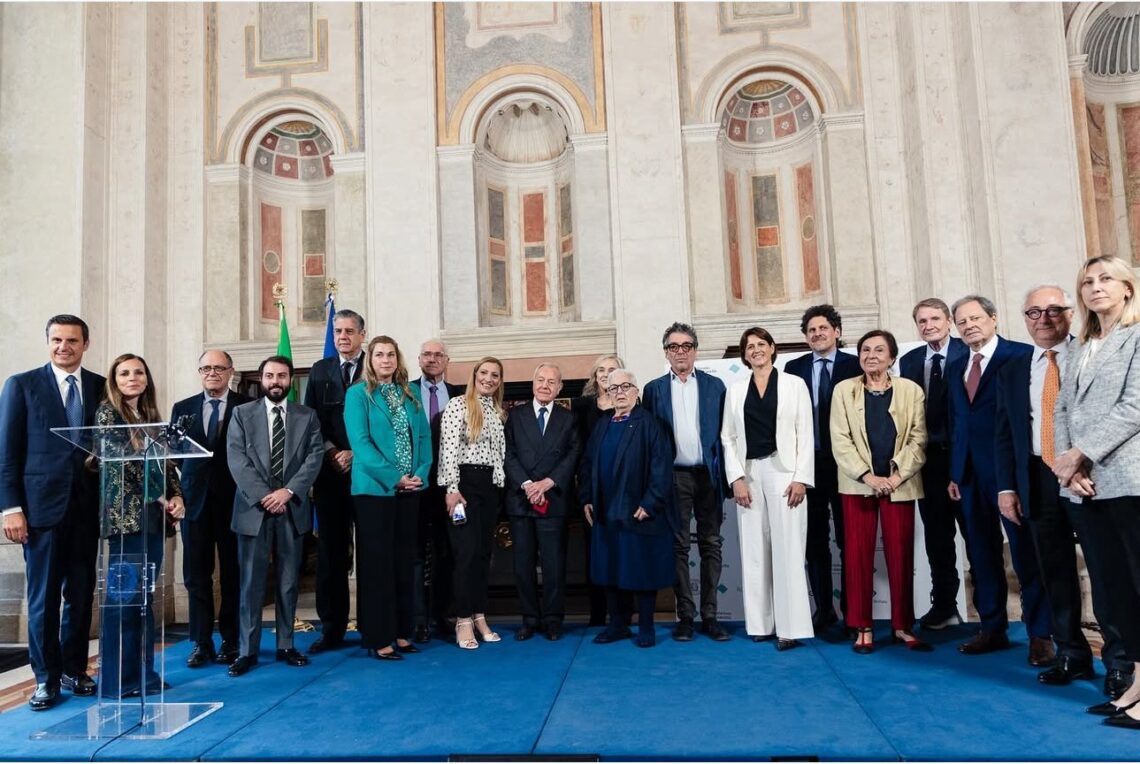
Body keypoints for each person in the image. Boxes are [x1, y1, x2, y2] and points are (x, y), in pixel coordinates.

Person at [995, 285, 1123, 690]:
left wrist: (1084, 460)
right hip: (1037, 478)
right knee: (1054, 570)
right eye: (1033, 312)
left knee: (1105, 571)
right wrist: (1007, 488)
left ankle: (1120, 663)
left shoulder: (1091, 353)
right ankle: (1072, 655)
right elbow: (1005, 433)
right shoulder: (1013, 368)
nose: (1043, 319)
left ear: (1071, 313)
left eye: (1053, 310)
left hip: (1088, 476)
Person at [0, 315, 104, 710]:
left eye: (72, 340)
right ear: (48, 342)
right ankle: (45, 678)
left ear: (85, 344)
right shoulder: (22, 385)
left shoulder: (100, 386)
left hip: (87, 511)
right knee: (43, 600)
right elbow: (7, 454)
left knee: (80, 595)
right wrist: (11, 508)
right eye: (57, 340)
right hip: (40, 512)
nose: (64, 347)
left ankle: (75, 669)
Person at [1053, 255, 1140, 726]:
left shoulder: (1138, 336)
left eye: (1106, 279)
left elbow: (1135, 406)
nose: (1096, 287)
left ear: (1128, 288)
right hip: (1085, 486)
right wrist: (1068, 467)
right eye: (1087, 281)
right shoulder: (1080, 345)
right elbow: (1061, 410)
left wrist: (1081, 453)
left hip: (1128, 479)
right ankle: (1134, 686)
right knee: (1115, 589)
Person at [946, 295, 1052, 661]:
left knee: (1025, 554)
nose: (969, 325)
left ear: (993, 318)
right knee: (981, 553)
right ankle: (992, 628)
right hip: (970, 476)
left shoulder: (1021, 356)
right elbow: (957, 422)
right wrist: (955, 472)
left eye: (975, 318)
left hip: (1012, 474)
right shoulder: (956, 365)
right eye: (962, 321)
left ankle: (1040, 634)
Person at [830, 331, 930, 654]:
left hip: (900, 484)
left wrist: (897, 476)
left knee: (901, 555)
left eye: (879, 350)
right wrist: (868, 477)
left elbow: (918, 438)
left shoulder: (911, 390)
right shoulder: (843, 390)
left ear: (892, 357)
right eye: (865, 350)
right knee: (857, 556)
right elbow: (840, 440)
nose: (871, 355)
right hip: (858, 485)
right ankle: (862, 625)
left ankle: (902, 625)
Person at [94, 353, 186, 697]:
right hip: (127, 521)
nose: (132, 378)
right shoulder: (108, 413)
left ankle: (144, 674)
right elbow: (126, 464)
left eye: (138, 372)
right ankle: (119, 680)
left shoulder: (150, 417)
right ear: (114, 380)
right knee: (124, 601)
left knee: (143, 600)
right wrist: (161, 497)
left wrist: (177, 497)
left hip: (153, 520)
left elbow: (165, 464)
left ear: (147, 379)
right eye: (124, 373)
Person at [226, 356, 324, 676]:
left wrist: (288, 492)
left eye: (282, 376)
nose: (275, 381)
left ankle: (286, 644)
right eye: (269, 376)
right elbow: (237, 459)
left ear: (290, 380)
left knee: (288, 582)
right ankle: (247, 651)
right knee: (250, 584)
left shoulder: (307, 416)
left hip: (292, 508)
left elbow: (314, 457)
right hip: (253, 509)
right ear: (262, 379)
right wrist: (266, 497)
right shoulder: (242, 414)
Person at [721, 327, 815, 650]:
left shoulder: (794, 384)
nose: (756, 350)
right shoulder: (735, 390)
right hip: (749, 472)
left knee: (788, 549)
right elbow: (728, 437)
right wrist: (736, 478)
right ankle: (760, 624)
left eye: (761, 344)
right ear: (744, 355)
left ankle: (790, 628)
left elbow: (806, 433)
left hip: (785, 471)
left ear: (773, 348)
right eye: (750, 346)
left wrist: (801, 477)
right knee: (754, 550)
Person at [344, 336, 432, 661]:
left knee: (404, 563)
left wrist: (420, 473)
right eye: (379, 354)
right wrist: (395, 478)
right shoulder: (358, 395)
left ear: (398, 359)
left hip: (410, 490)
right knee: (377, 567)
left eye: (391, 354)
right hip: (374, 492)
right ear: (370, 360)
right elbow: (361, 443)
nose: (385, 360)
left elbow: (423, 437)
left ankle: (402, 632)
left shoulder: (410, 394)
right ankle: (379, 637)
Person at [641, 322, 730, 642]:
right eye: (674, 347)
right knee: (678, 546)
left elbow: (727, 435)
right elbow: (649, 440)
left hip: (709, 474)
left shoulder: (715, 386)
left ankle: (711, 616)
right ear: (666, 353)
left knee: (711, 543)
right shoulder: (653, 390)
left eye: (686, 346)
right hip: (673, 476)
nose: (680, 352)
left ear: (695, 350)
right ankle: (686, 617)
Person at [580, 369, 676, 648]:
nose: (619, 392)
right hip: (605, 511)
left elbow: (661, 468)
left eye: (625, 387)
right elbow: (588, 464)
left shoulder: (651, 424)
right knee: (610, 569)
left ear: (636, 391)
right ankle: (617, 625)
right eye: (614, 388)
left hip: (638, 512)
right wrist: (587, 497)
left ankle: (646, 626)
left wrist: (650, 502)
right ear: (607, 394)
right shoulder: (602, 425)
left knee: (641, 570)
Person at [783, 305, 861, 635]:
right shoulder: (793, 368)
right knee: (814, 541)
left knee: (848, 539)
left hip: (848, 466)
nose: (817, 334)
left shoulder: (855, 364)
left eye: (823, 328)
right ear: (806, 337)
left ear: (837, 332)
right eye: (811, 330)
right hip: (808, 465)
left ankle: (853, 612)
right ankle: (823, 610)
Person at [171, 349, 250, 669]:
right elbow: (174, 454)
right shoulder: (183, 408)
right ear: (199, 372)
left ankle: (231, 640)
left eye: (219, 368)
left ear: (231, 371)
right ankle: (201, 642)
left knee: (233, 574)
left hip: (235, 502)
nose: (212, 373)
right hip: (195, 504)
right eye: (206, 368)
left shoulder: (247, 405)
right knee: (196, 576)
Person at [898, 298, 968, 630]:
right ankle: (944, 607)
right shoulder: (910, 361)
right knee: (937, 540)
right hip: (927, 463)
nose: (929, 326)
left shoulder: (967, 353)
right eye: (922, 321)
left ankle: (989, 614)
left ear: (949, 321)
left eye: (935, 319)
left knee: (976, 538)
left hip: (965, 461)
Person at [303, 308, 366, 654]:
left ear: (362, 335)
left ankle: (373, 627)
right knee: (331, 555)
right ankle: (331, 629)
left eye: (349, 331)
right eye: (338, 331)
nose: (342, 337)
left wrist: (355, 453)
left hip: (368, 473)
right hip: (330, 475)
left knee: (370, 553)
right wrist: (333, 452)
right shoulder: (319, 370)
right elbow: (310, 420)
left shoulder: (376, 366)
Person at [504, 363, 581, 641]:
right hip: (522, 500)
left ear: (560, 388)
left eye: (551, 381)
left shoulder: (568, 418)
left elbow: (573, 454)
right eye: (540, 380)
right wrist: (527, 485)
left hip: (553, 499)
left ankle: (552, 619)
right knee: (522, 565)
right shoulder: (516, 415)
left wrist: (548, 482)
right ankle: (529, 618)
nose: (545, 385)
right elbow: (508, 453)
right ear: (533, 383)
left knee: (553, 565)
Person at [437, 356, 508, 650]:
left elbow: (499, 454)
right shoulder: (458, 405)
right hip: (463, 485)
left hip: (489, 488)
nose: (489, 379)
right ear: (475, 375)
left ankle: (479, 615)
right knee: (465, 555)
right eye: (484, 373)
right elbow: (448, 448)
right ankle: (463, 619)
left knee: (482, 555)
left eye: (495, 375)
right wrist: (451, 489)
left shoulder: (497, 411)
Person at [410, 338, 462, 643]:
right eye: (427, 355)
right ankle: (418, 620)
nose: (432, 359)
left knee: (446, 552)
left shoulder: (459, 395)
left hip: (448, 486)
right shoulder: (405, 391)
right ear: (419, 360)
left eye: (438, 355)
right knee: (416, 553)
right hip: (414, 484)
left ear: (446, 361)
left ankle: (443, 615)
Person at [571, 353, 624, 626]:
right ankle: (598, 613)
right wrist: (585, 496)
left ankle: (623, 612)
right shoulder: (581, 407)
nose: (605, 374)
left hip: (624, 492)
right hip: (592, 491)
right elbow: (579, 456)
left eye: (611, 369)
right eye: (601, 370)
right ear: (594, 376)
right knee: (596, 553)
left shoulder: (631, 405)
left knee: (623, 552)